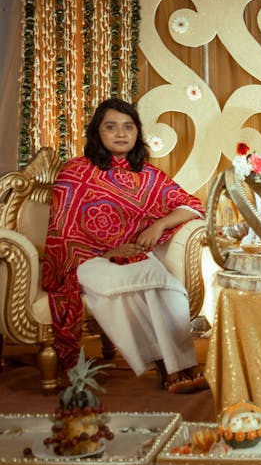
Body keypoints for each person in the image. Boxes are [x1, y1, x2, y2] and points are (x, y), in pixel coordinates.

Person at [42, 98, 208, 394]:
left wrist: (160, 224)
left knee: (160, 282)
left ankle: (182, 362)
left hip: (131, 256)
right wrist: (107, 253)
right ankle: (166, 363)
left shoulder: (148, 176)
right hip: (83, 261)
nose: (121, 133)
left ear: (137, 133)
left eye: (128, 127)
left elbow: (191, 206)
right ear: (97, 133)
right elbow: (62, 232)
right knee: (134, 280)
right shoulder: (75, 172)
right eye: (111, 126)